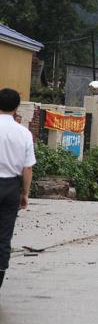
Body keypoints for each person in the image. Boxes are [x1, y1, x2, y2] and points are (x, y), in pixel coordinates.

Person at [0, 88, 36, 290]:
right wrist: (24, 194)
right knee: (4, 236)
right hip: (11, 188)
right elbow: (27, 168)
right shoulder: (23, 133)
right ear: (16, 108)